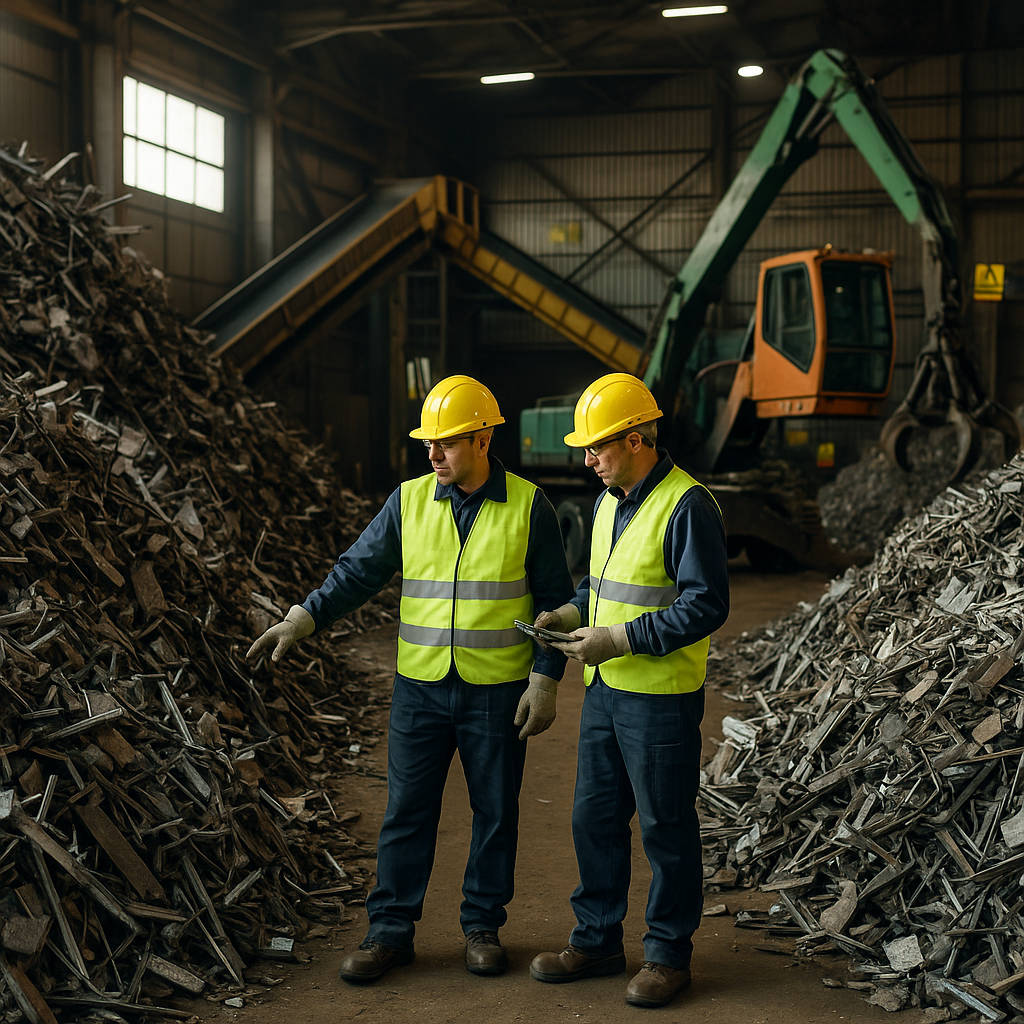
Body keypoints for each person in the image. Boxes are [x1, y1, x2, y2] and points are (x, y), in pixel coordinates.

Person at [247, 374, 574, 984]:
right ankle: (389, 932)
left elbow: (558, 603)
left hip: (496, 690)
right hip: (420, 688)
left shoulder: (530, 506)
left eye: (445, 443)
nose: (432, 454)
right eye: (428, 443)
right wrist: (305, 616)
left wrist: (545, 678)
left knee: (495, 812)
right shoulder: (410, 500)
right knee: (406, 812)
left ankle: (482, 926)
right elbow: (359, 570)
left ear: (481, 438)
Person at [528, 372, 729, 1009]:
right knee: (596, 818)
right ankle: (598, 940)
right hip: (607, 692)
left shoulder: (687, 505)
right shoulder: (610, 501)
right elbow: (604, 583)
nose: (587, 460)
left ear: (638, 439)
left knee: (666, 827)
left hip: (661, 697)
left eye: (598, 448)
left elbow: (706, 604)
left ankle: (668, 955)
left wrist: (619, 640)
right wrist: (568, 612)